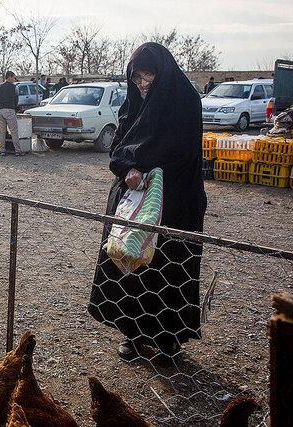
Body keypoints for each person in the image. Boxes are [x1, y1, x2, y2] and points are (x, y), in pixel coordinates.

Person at [88, 42, 207, 365]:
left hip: (175, 200)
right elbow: (120, 146)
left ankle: (169, 339)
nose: (142, 84)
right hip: (134, 198)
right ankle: (133, 332)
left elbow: (182, 151)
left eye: (148, 76)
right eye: (137, 77)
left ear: (163, 72)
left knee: (168, 266)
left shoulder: (184, 100)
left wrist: (143, 165)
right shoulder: (135, 102)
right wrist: (128, 167)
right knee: (132, 263)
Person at [0, 71, 25, 156]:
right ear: (9, 77)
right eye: (13, 77)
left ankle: (2, 150)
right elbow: (16, 99)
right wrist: (15, 108)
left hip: (0, 110)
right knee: (14, 131)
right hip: (10, 110)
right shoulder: (14, 87)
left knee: (2, 131)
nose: (14, 79)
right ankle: (17, 151)